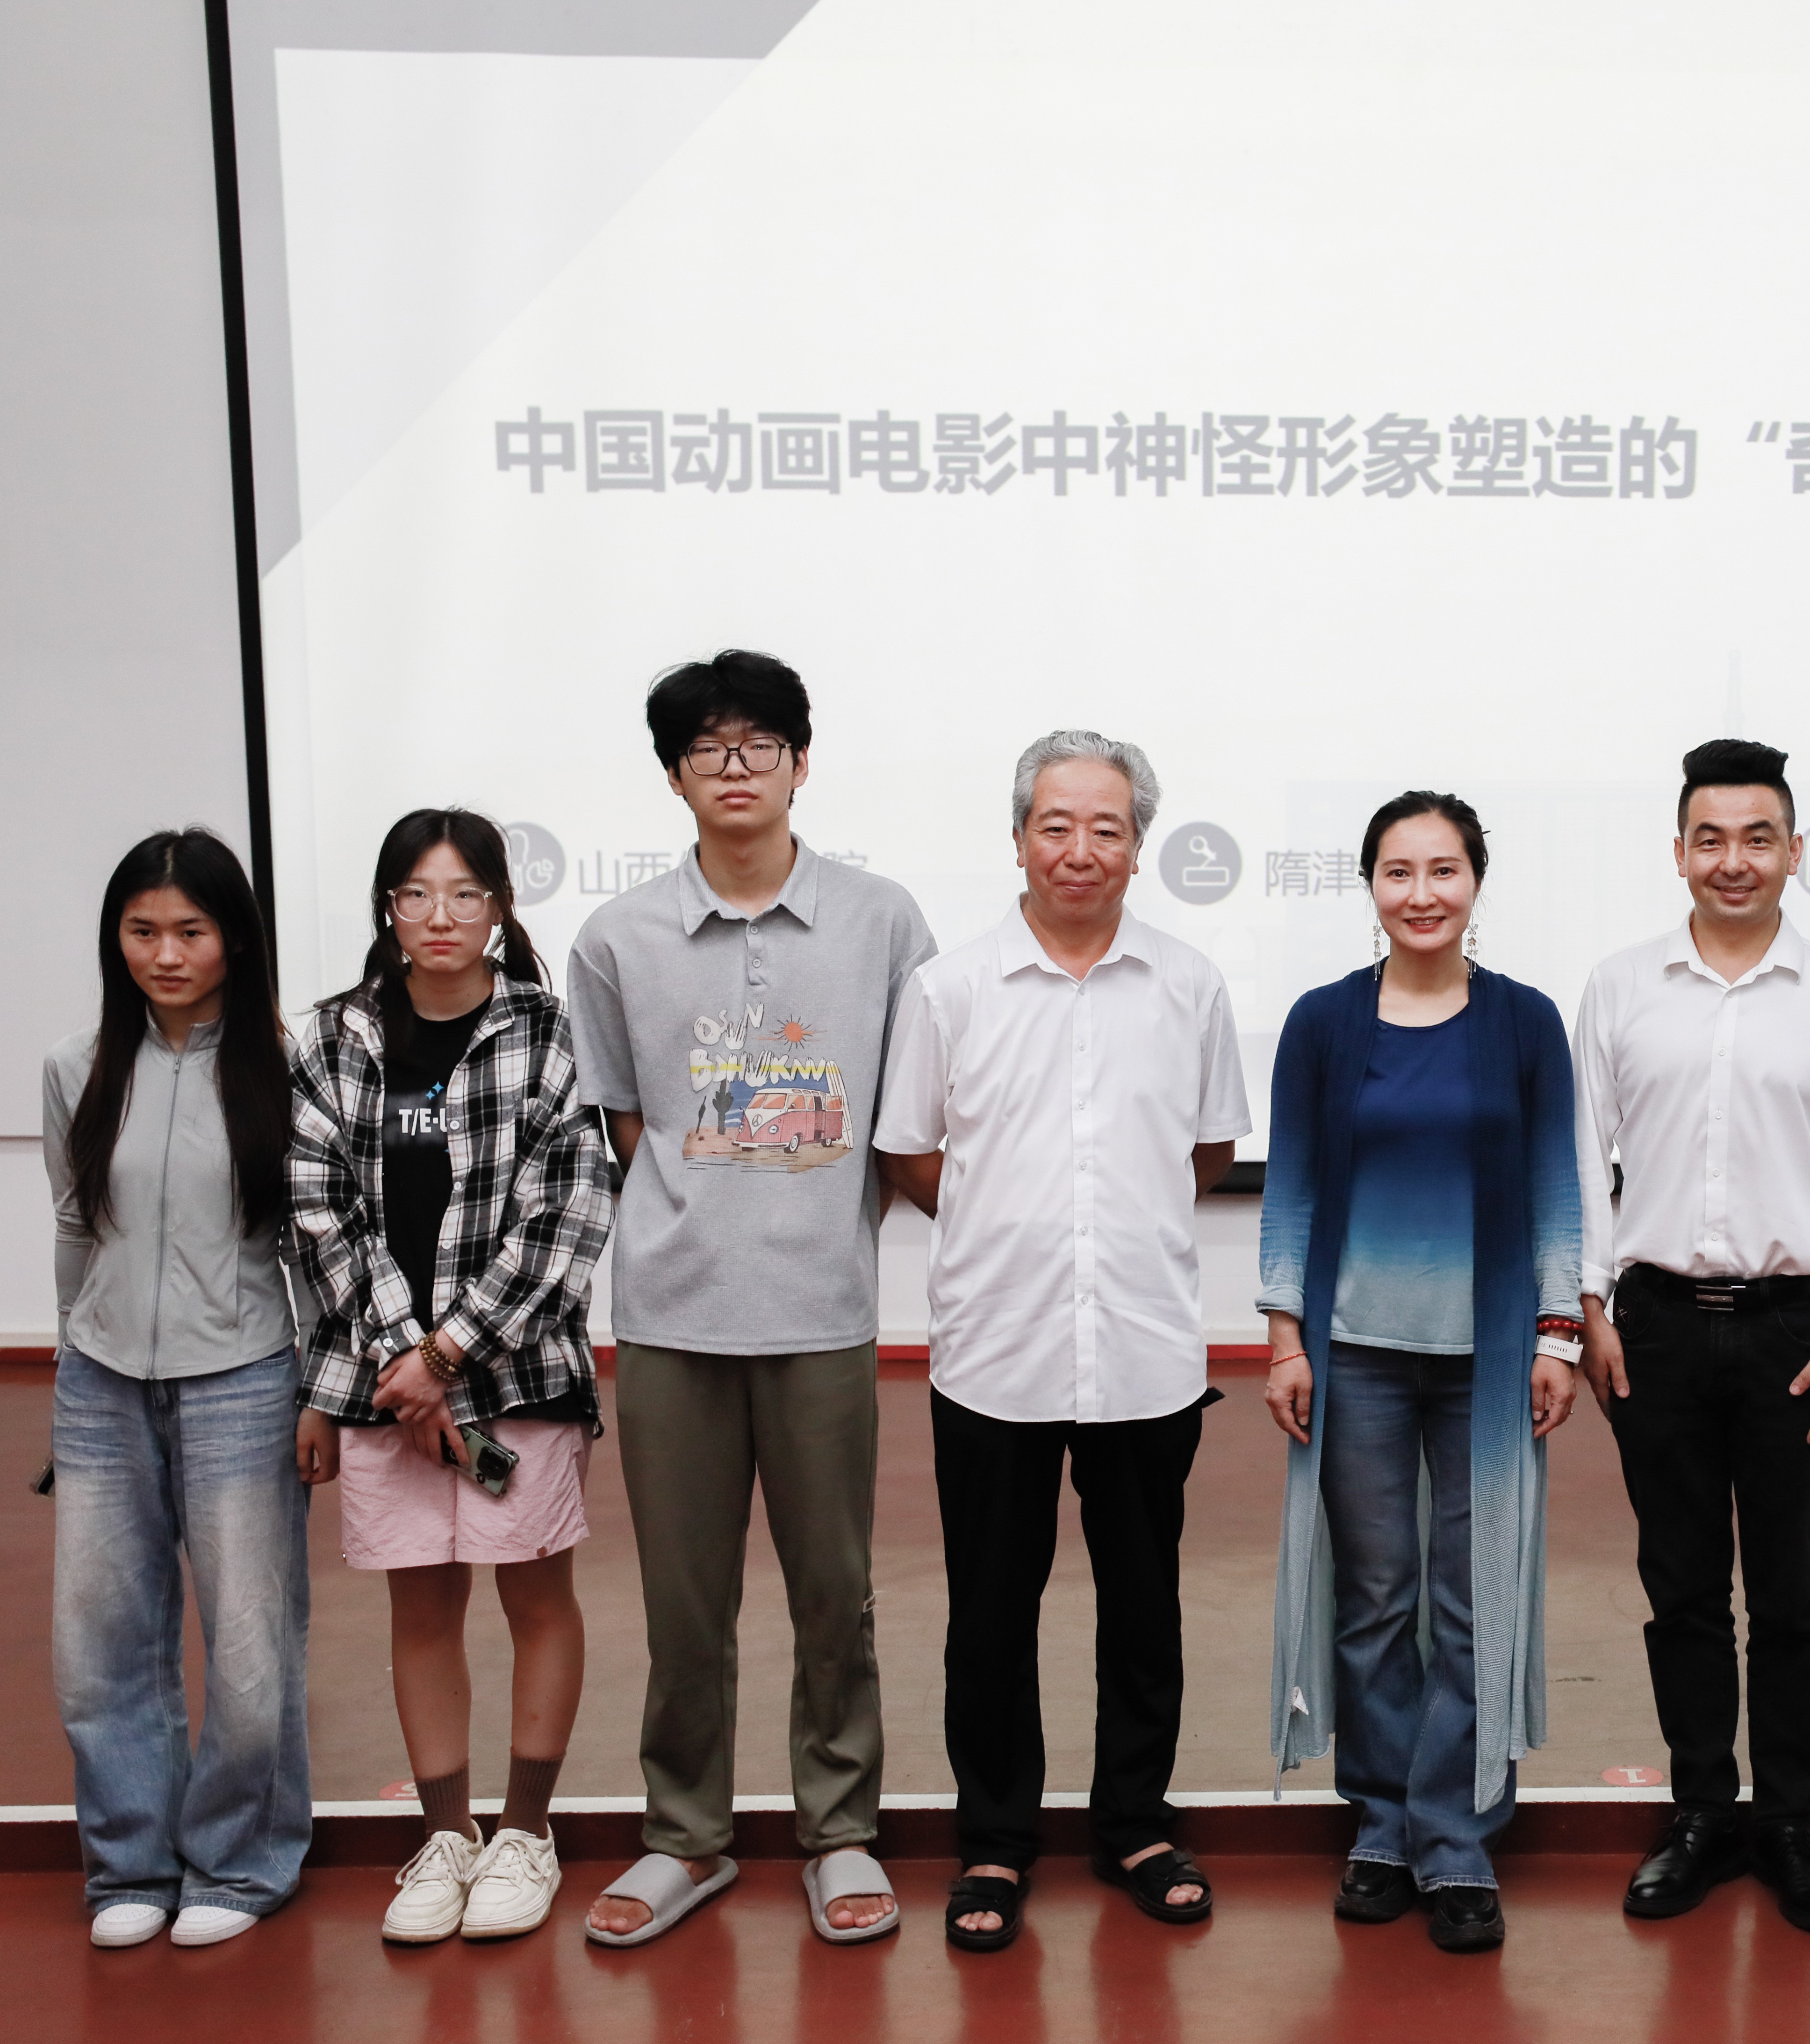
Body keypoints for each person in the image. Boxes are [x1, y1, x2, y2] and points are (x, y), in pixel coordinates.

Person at [563, 651, 935, 1948]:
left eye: (759, 743)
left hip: (822, 1309)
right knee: (685, 1605)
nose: (736, 768)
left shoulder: (884, 923)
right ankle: (686, 1836)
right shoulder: (616, 939)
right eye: (708, 749)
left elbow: (909, 1115)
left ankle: (840, 1830)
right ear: (675, 776)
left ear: (801, 763)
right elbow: (625, 1123)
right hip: (671, 1314)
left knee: (836, 1592)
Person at [874, 730, 1250, 1952]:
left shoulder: (1188, 984)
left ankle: (1135, 1823)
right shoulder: (950, 989)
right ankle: (995, 1837)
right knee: (991, 1611)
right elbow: (913, 1154)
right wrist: (1011, 1225)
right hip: (996, 1351)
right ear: (1019, 838)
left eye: (1107, 828)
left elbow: (1206, 1150)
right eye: (1056, 824)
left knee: (1144, 1606)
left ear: (1139, 847)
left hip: (1144, 1348)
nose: (1080, 849)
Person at [1573, 738, 1810, 1936]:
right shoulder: (1620, 986)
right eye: (1710, 838)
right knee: (1681, 1590)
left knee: (1792, 1595)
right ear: (1678, 852)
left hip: (1796, 1334)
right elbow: (1583, 1157)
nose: (1734, 859)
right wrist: (1589, 1306)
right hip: (1656, 1325)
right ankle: (1702, 1813)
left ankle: (1791, 1823)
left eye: (1757, 837)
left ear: (1794, 852)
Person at [1257, 791, 1585, 1955]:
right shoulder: (1322, 1022)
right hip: (1356, 1355)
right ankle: (1383, 1821)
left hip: (1488, 1360)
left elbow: (1557, 1182)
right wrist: (1285, 1336)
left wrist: (1558, 1333)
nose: (1422, 892)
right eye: (1399, 871)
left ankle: (1453, 1832)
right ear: (1371, 887)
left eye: (1444, 869)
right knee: (1375, 1594)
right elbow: (1291, 1184)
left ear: (1475, 881)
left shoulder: (1525, 1022)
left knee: (1471, 1594)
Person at [289, 810, 615, 1944]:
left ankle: (524, 1831)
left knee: (536, 1599)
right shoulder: (336, 1036)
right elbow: (318, 1206)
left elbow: (567, 1215)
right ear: (388, 908)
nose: (441, 916)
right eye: (418, 894)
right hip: (384, 1385)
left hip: (516, 1377)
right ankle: (447, 1837)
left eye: (466, 894)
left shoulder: (547, 1032)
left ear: (500, 910)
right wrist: (403, 1357)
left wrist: (448, 1353)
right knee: (421, 1607)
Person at [42, 831, 309, 1950]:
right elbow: (75, 1223)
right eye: (143, 930)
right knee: (98, 1640)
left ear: (233, 938)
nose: (165, 953)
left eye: (190, 930)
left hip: (244, 1375)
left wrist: (320, 1390)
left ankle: (240, 1862)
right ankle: (130, 1866)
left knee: (249, 1643)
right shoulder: (77, 1064)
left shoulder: (286, 1065)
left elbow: (310, 1241)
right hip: (101, 1382)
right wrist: (72, 1356)